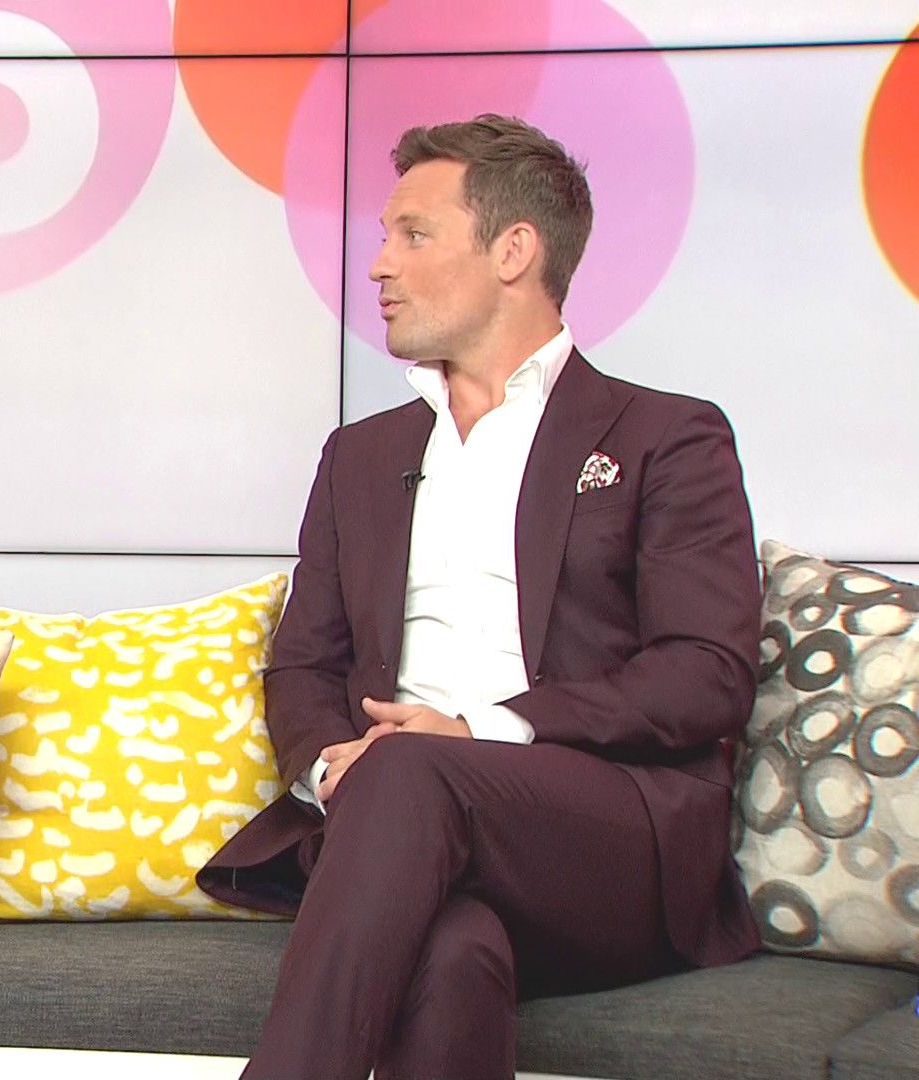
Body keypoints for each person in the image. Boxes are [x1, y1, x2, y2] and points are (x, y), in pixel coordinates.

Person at [197, 114, 762, 1079]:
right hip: (394, 827)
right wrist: (329, 769)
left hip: (605, 836)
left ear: (513, 251)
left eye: (413, 235)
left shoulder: (665, 437)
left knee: (413, 770)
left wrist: (478, 731)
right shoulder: (360, 456)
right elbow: (304, 665)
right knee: (454, 951)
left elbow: (706, 674)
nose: (379, 264)